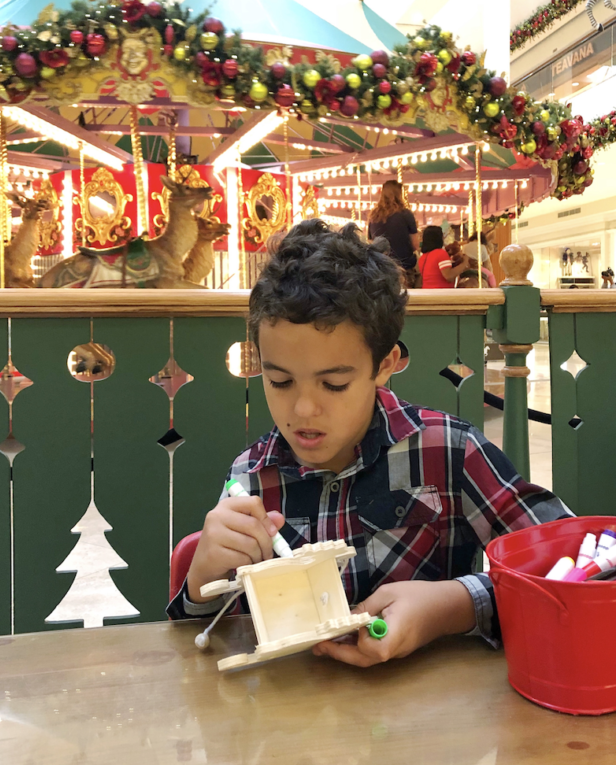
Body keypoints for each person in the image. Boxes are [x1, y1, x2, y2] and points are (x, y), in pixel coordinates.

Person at [167, 220, 571, 666]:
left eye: (334, 383)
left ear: (386, 363)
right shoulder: (251, 478)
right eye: (279, 380)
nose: (302, 410)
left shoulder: (447, 451)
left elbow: (577, 567)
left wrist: (453, 606)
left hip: (434, 721)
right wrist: (203, 580)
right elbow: (205, 649)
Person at [368, 180, 418, 283]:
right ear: (399, 194)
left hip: (381, 267)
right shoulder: (406, 214)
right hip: (404, 266)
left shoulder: (373, 217)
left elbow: (370, 242)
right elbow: (415, 244)